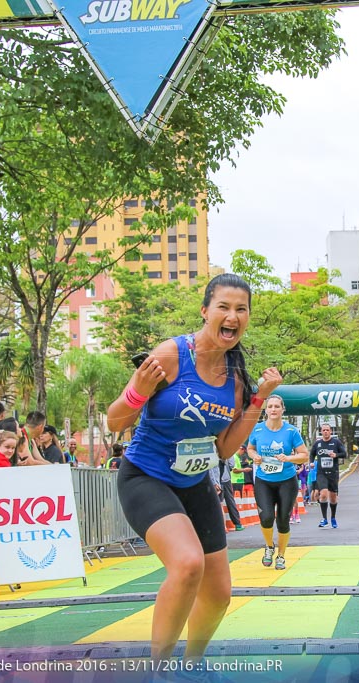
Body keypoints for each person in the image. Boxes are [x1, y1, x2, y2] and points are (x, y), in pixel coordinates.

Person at [105, 273, 283, 666]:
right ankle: (160, 669)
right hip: (145, 477)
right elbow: (115, 422)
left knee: (219, 592)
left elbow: (224, 449)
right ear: (205, 312)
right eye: (224, 306)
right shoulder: (171, 354)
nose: (232, 316)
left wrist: (259, 401)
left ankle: (192, 665)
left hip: (195, 482)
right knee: (187, 565)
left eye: (241, 309)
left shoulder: (235, 379)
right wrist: (137, 388)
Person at [247, 395, 308, 569]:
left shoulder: (291, 431)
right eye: (270, 406)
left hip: (286, 481)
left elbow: (304, 455)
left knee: (283, 520)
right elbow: (250, 449)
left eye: (276, 406)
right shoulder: (257, 429)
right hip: (264, 480)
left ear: (282, 409)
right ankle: (269, 546)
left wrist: (288, 458)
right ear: (266, 410)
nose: (273, 409)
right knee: (265, 517)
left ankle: (281, 555)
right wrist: (255, 457)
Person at [309, 423, 347, 529]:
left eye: (327, 430)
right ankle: (324, 519)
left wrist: (336, 455)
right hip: (321, 473)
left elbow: (344, 453)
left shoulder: (336, 442)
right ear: (321, 432)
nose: (325, 432)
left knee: (333, 498)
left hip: (333, 473)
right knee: (324, 494)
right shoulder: (318, 444)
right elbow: (312, 454)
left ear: (331, 431)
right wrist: (311, 462)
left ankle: (333, 518)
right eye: (323, 430)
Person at [214, 454, 242, 531]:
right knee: (230, 500)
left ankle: (222, 527)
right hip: (225, 478)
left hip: (214, 480)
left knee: (218, 503)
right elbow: (231, 464)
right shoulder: (227, 447)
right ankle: (237, 524)